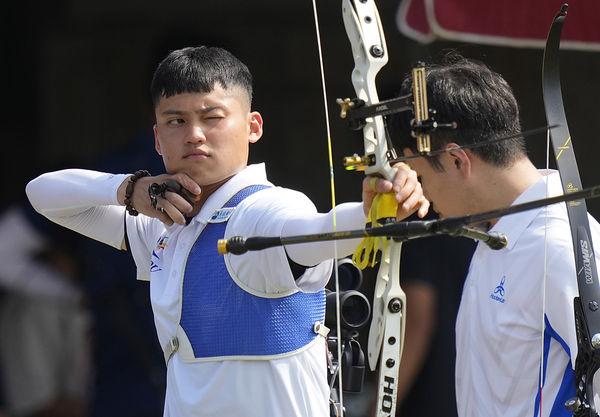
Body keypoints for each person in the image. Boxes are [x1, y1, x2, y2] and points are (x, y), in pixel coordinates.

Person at [26, 46, 428, 417]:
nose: (194, 134)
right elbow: (42, 193)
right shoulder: (164, 225)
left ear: (253, 126)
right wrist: (130, 189)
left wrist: (374, 210)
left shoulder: (267, 210)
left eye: (213, 117)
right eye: (176, 121)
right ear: (157, 137)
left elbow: (322, 230)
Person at [390, 53, 600, 417]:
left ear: (457, 161)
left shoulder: (561, 248)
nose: (420, 193)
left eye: (420, 176)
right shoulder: (495, 231)